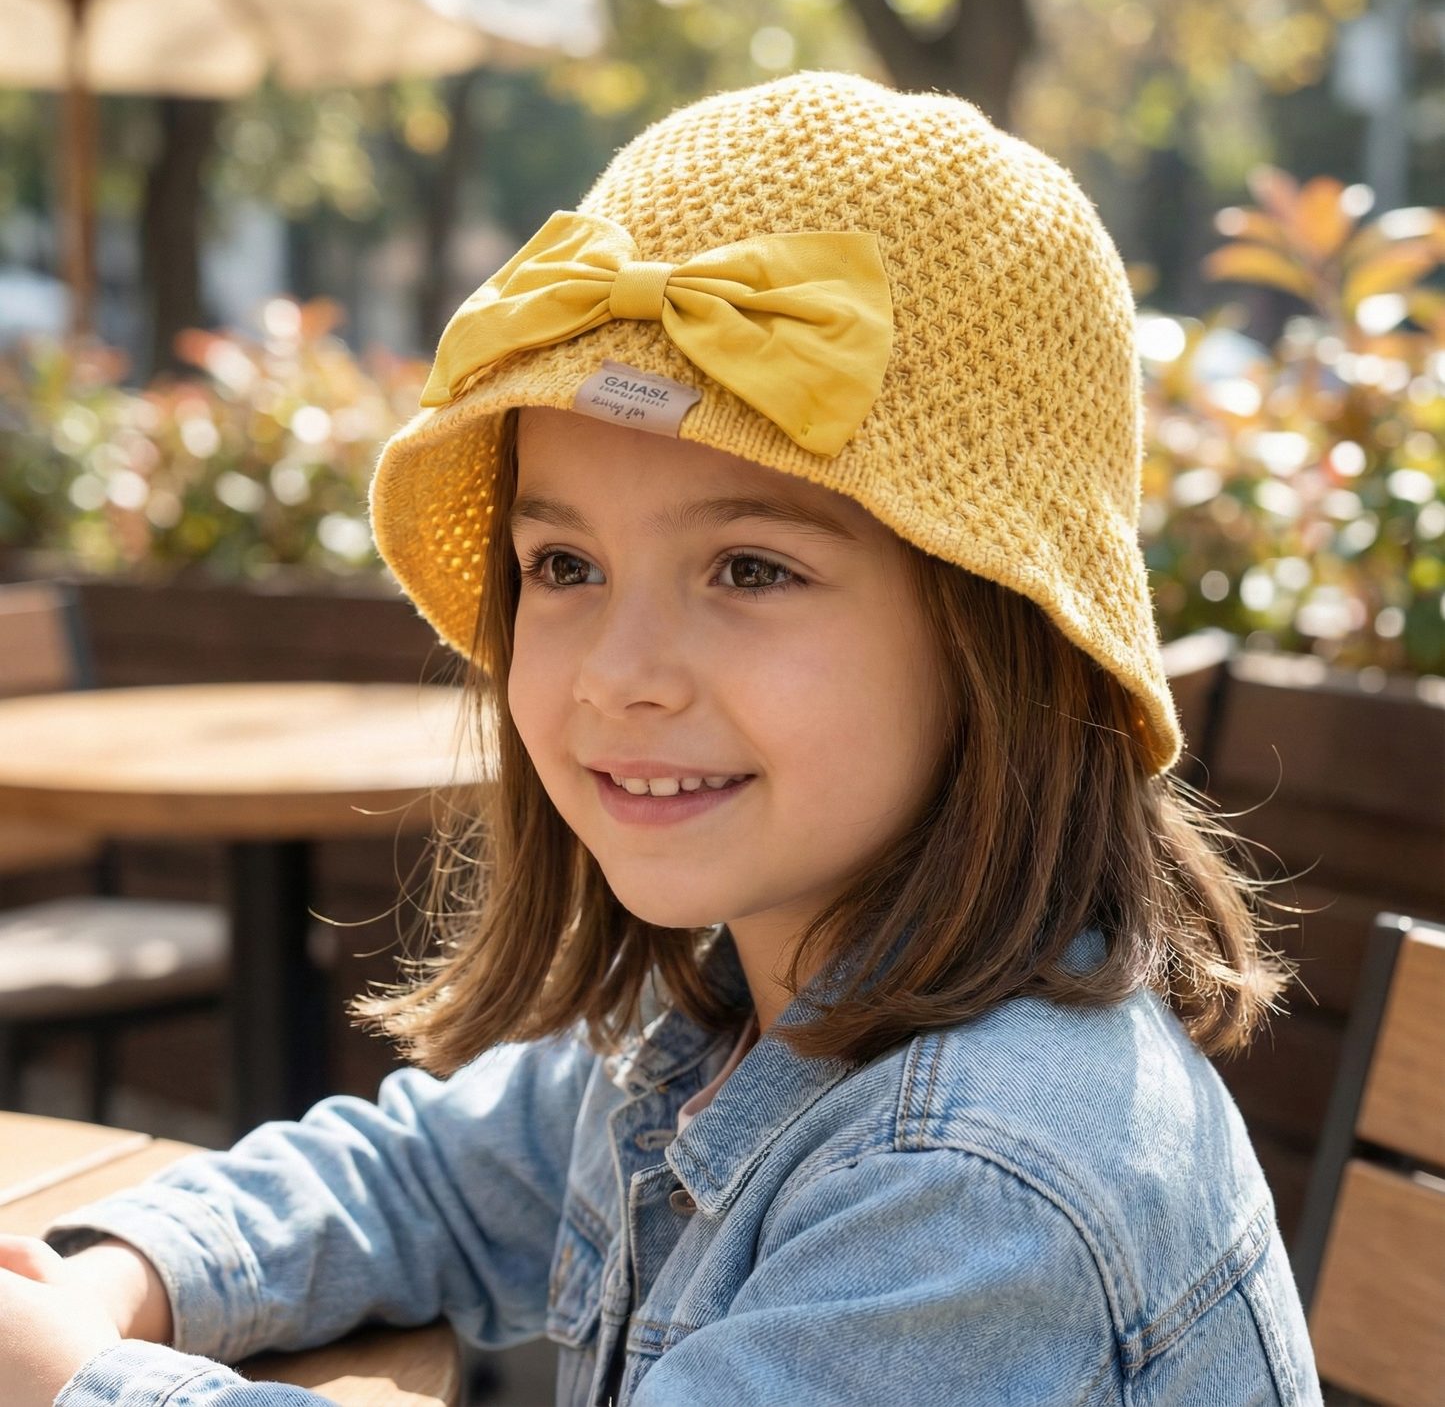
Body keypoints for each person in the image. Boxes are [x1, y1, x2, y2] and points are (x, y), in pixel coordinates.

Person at [0, 72, 1321, 1407]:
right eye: (563, 564)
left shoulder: (979, 1184)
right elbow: (429, 1180)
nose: (617, 677)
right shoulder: (725, 1002)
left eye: (749, 570)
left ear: (1005, 638)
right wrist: (118, 1280)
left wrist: (84, 1391)